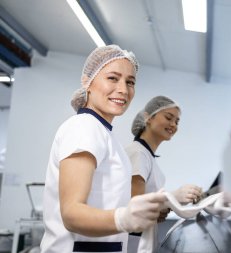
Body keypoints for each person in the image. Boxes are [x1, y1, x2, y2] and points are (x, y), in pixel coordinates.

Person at [40, 45, 167, 253]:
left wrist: (147, 212)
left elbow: (108, 199)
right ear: (87, 82)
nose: (123, 89)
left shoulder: (104, 133)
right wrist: (124, 218)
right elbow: (72, 213)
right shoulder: (84, 127)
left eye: (130, 82)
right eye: (112, 78)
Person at [125, 96, 203, 252]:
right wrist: (171, 198)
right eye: (168, 117)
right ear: (148, 118)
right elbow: (134, 205)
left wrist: (163, 209)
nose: (173, 124)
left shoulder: (147, 157)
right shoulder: (138, 153)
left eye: (177, 121)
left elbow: (146, 207)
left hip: (143, 240)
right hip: (133, 242)